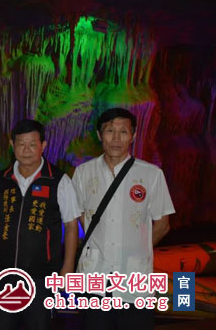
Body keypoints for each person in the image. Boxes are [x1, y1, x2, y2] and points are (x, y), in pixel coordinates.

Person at [72, 108, 175, 330]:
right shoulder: (83, 173)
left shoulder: (151, 174)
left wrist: (137, 248)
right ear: (99, 135)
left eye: (123, 132)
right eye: (110, 131)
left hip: (134, 278)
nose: (116, 138)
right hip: (95, 275)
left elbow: (163, 225)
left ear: (133, 136)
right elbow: (79, 214)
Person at [0, 119, 80, 330]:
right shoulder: (1, 179)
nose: (26, 150)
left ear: (43, 146)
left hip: (42, 276)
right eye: (21, 144)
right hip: (5, 273)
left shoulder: (58, 180)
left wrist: (68, 267)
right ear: (12, 145)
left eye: (32, 144)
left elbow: (71, 225)